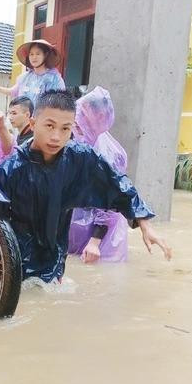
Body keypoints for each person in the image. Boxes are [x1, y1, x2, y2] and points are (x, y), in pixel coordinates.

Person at [0, 89, 172, 284]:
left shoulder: (79, 158)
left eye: (65, 128)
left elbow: (116, 185)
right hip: (14, 266)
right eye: (50, 126)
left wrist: (145, 225)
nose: (56, 137)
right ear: (33, 124)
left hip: (55, 262)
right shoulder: (9, 171)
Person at [68, 87, 130, 264]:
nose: (76, 125)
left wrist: (95, 242)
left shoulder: (109, 154)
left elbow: (110, 204)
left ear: (98, 118)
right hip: (78, 230)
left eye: (81, 120)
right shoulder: (81, 143)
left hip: (103, 239)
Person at [0, 39, 66, 104]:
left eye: (38, 54)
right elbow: (13, 92)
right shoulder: (25, 77)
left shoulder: (54, 79)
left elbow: (58, 102)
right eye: (31, 54)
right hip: (22, 119)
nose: (34, 57)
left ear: (45, 55)